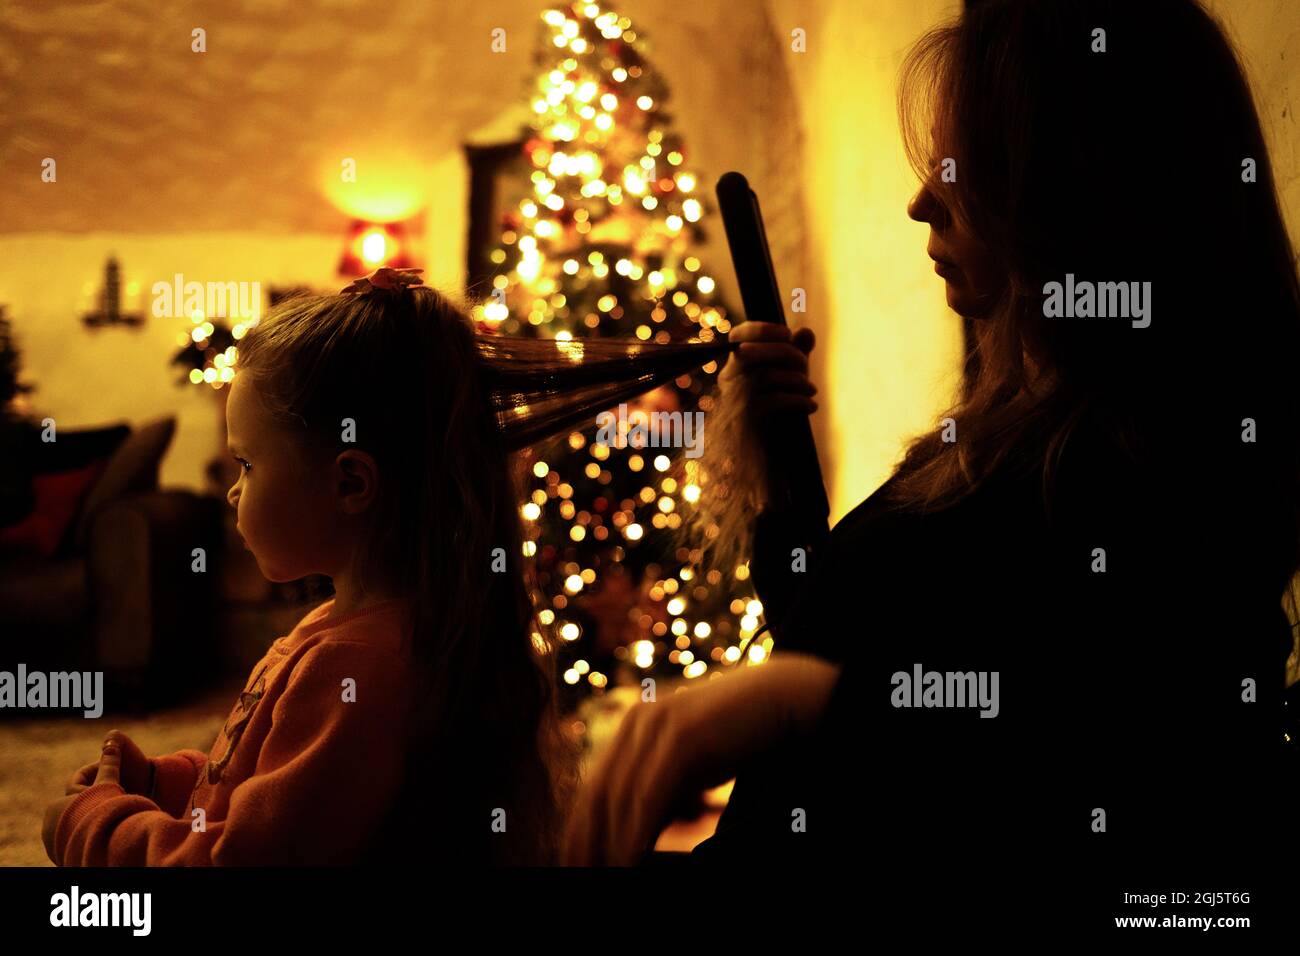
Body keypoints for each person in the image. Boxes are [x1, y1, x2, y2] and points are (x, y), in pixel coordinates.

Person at [563, 0, 1300, 911]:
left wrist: (810, 703)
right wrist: (778, 489)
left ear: (1065, 189)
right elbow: (854, 639)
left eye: (956, 169)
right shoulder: (1013, 429)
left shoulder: (1158, 482)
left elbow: (1091, 807)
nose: (920, 201)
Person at [43, 268, 731, 865]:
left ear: (350, 483)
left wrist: (93, 825)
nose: (231, 488)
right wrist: (165, 785)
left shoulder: (356, 666)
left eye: (248, 464)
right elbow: (274, 792)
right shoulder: (350, 627)